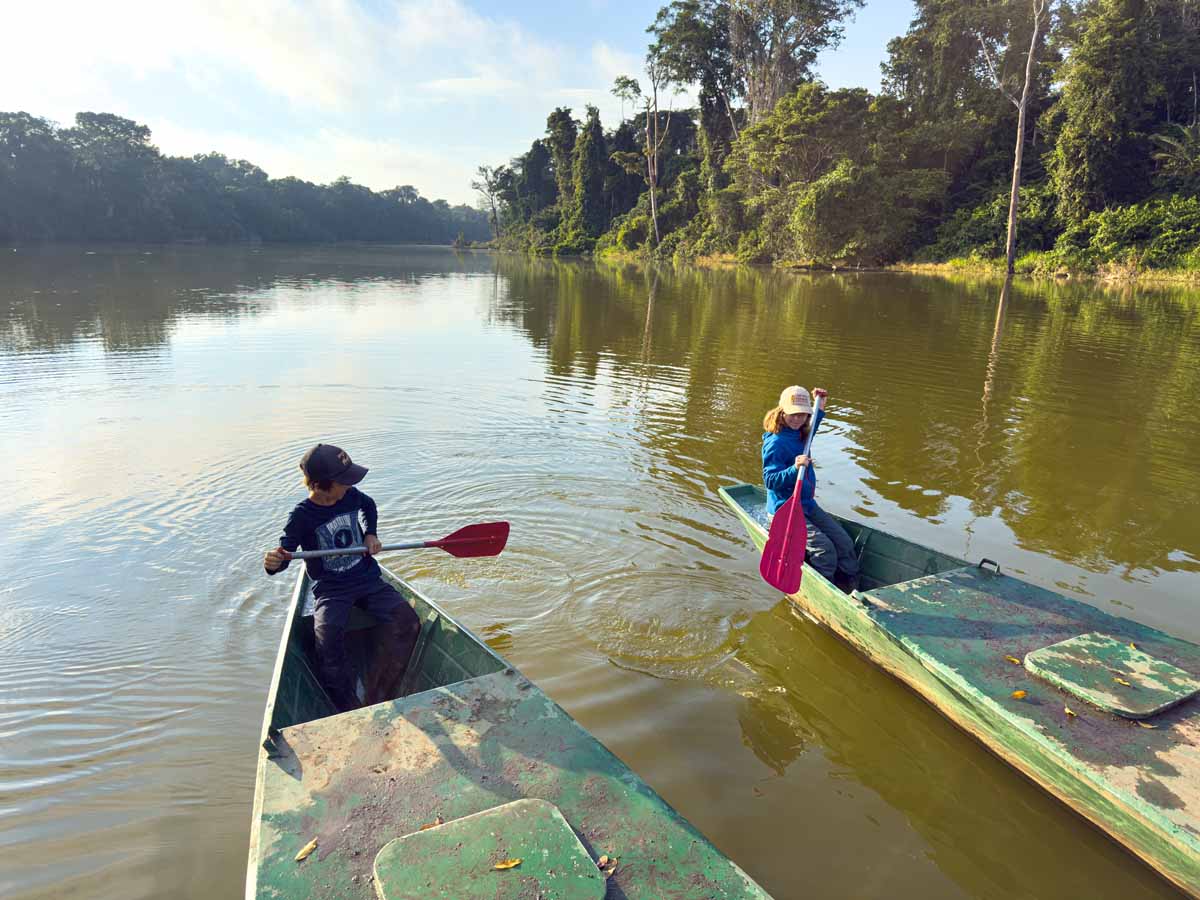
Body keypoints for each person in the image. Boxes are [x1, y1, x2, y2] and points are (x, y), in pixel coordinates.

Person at [264, 443, 421, 711]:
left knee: (409, 622)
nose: (349, 485)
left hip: (368, 580)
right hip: (331, 589)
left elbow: (368, 505)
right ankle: (347, 707)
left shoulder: (350, 496)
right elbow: (284, 556)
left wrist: (371, 533)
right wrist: (273, 563)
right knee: (327, 641)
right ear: (320, 484)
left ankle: (380, 693)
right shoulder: (301, 516)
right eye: (343, 481)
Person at [761, 386, 859, 592]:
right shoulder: (776, 443)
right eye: (793, 414)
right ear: (783, 412)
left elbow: (812, 426)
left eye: (803, 414)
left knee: (845, 543)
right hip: (784, 509)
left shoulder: (802, 432)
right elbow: (770, 480)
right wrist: (794, 468)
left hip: (806, 504)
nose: (798, 419)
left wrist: (820, 406)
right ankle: (824, 591)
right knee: (825, 551)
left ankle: (848, 583)